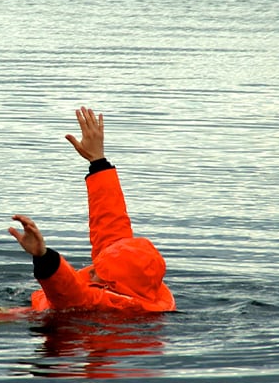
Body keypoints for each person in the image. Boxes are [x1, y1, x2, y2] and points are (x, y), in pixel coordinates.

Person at [9, 107, 175, 313]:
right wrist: (98, 162)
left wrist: (43, 256)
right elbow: (110, 223)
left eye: (99, 274)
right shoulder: (139, 282)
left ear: (118, 287)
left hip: (67, 332)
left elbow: (69, 293)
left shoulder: (109, 303)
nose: (92, 272)